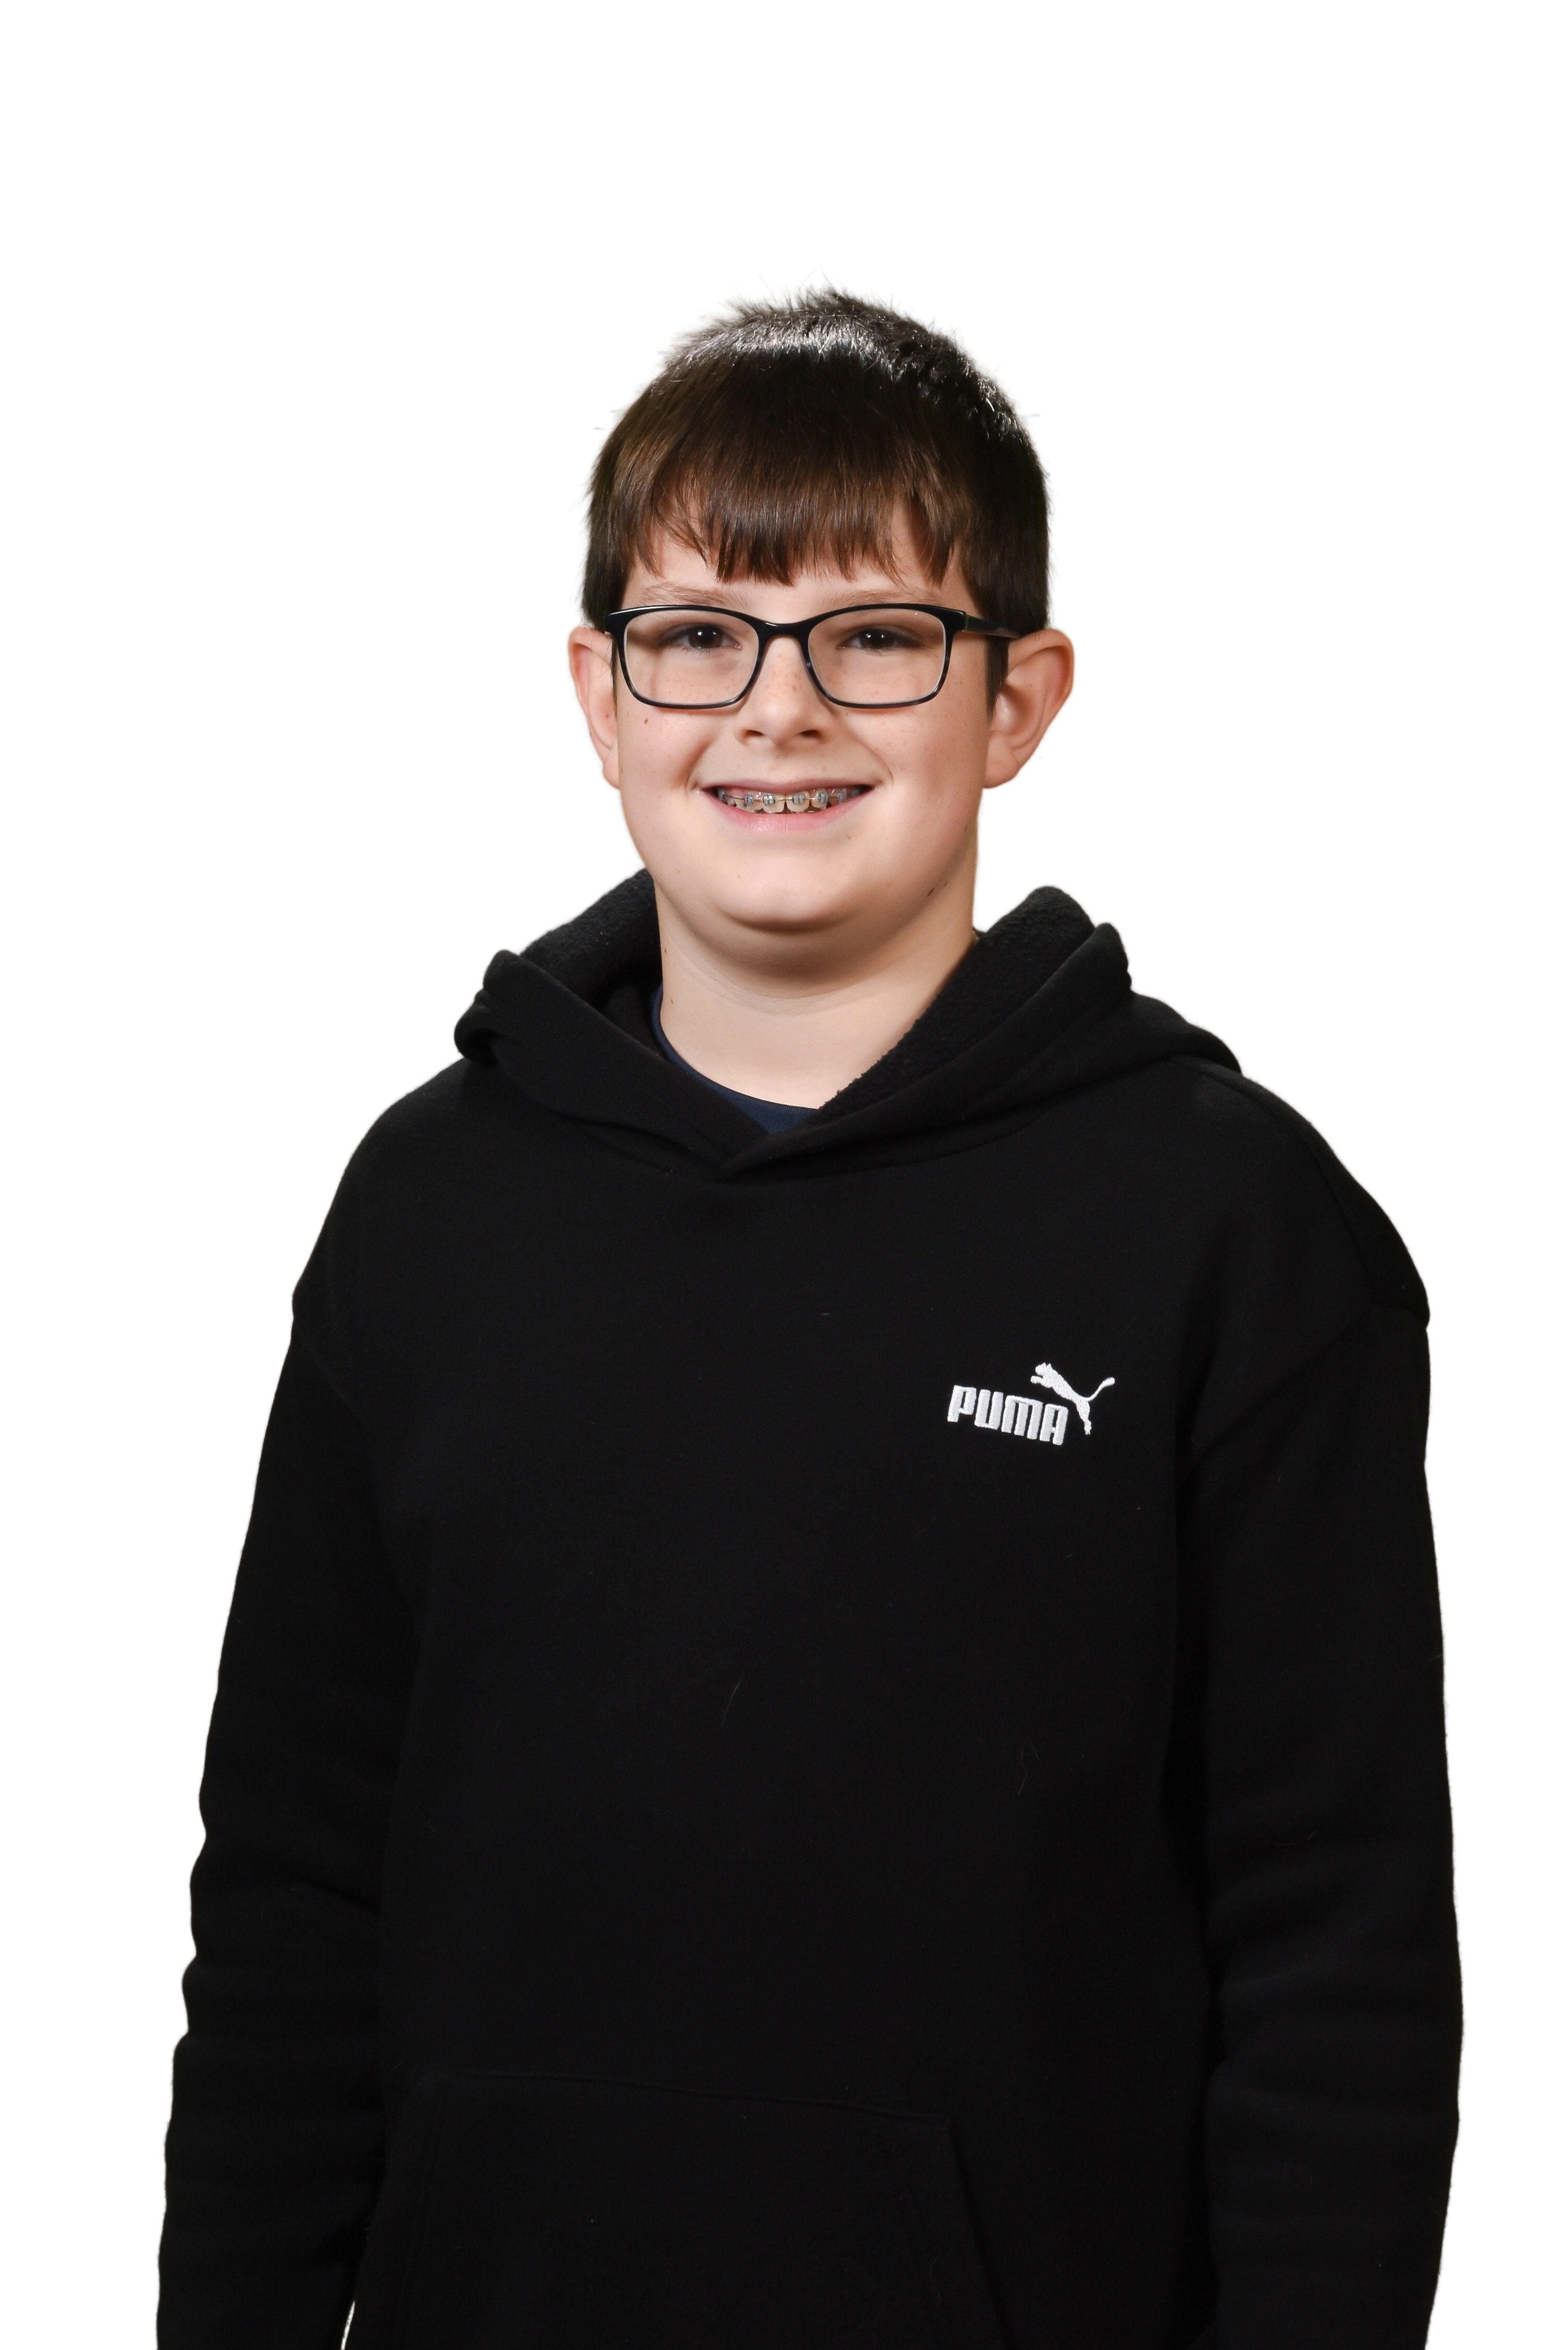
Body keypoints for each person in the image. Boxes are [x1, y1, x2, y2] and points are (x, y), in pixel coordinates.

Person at [154, 270, 1463, 2349]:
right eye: (697, 636)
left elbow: (1340, 1955)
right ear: (598, 692)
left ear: (1018, 695)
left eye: (874, 635)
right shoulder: (425, 1208)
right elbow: (290, 1907)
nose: (779, 710)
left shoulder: (1235, 1227)